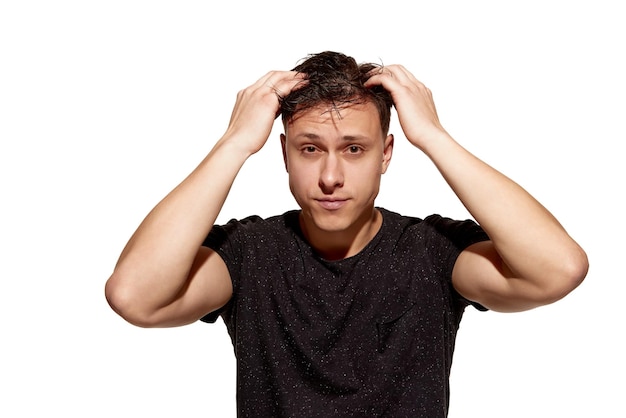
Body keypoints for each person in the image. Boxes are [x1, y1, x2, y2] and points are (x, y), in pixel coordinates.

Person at [105, 51, 588, 417]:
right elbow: (135, 298)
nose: (331, 176)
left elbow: (557, 270)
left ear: (387, 154)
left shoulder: (430, 252)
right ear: (284, 156)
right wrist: (233, 143)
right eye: (310, 149)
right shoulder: (250, 254)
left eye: (354, 149)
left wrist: (434, 136)